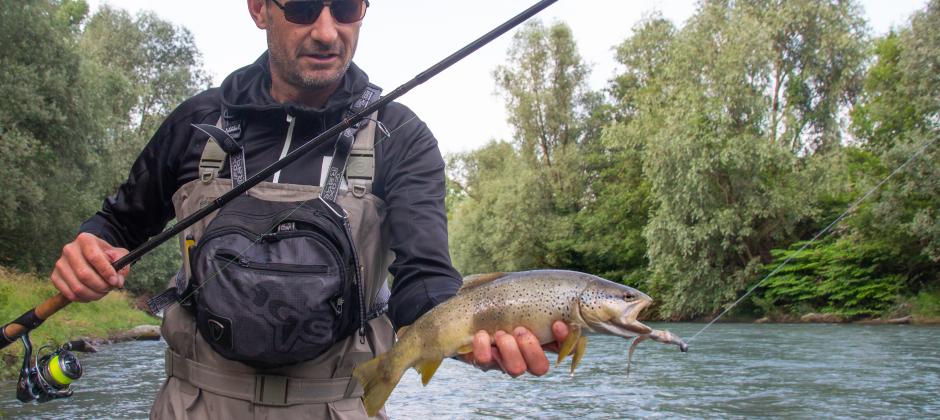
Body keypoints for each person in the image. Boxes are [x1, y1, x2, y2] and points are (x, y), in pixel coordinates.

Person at [49, 0, 568, 418]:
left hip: (341, 405)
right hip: (194, 405)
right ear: (258, 9)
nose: (326, 31)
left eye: (345, 9)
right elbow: (118, 223)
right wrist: (88, 247)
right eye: (301, 7)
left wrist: (473, 333)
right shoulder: (196, 121)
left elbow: (425, 282)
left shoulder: (402, 138)